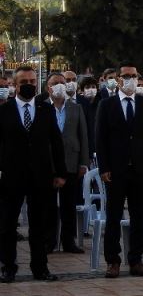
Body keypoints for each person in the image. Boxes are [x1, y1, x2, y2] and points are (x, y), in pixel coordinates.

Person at [0, 66, 66, 283]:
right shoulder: (4, 110)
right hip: (11, 176)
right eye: (23, 82)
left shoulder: (45, 109)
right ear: (15, 85)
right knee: (8, 224)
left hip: (41, 176)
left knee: (39, 225)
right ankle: (8, 267)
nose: (28, 85)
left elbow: (56, 142)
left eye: (31, 81)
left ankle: (40, 268)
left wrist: (60, 172)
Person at [95, 64, 143, 278]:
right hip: (115, 170)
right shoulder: (107, 104)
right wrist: (104, 167)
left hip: (139, 169)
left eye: (133, 76)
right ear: (118, 79)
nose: (130, 79)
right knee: (113, 216)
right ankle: (112, 260)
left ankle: (136, 260)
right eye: (126, 76)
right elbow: (100, 139)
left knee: (139, 217)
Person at [44, 73, 90, 254]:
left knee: (69, 203)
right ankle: (49, 240)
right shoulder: (42, 107)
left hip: (71, 161)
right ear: (48, 87)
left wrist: (84, 162)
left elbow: (83, 136)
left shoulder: (75, 108)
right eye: (55, 83)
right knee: (48, 204)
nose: (60, 86)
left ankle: (68, 240)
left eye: (62, 83)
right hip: (48, 163)